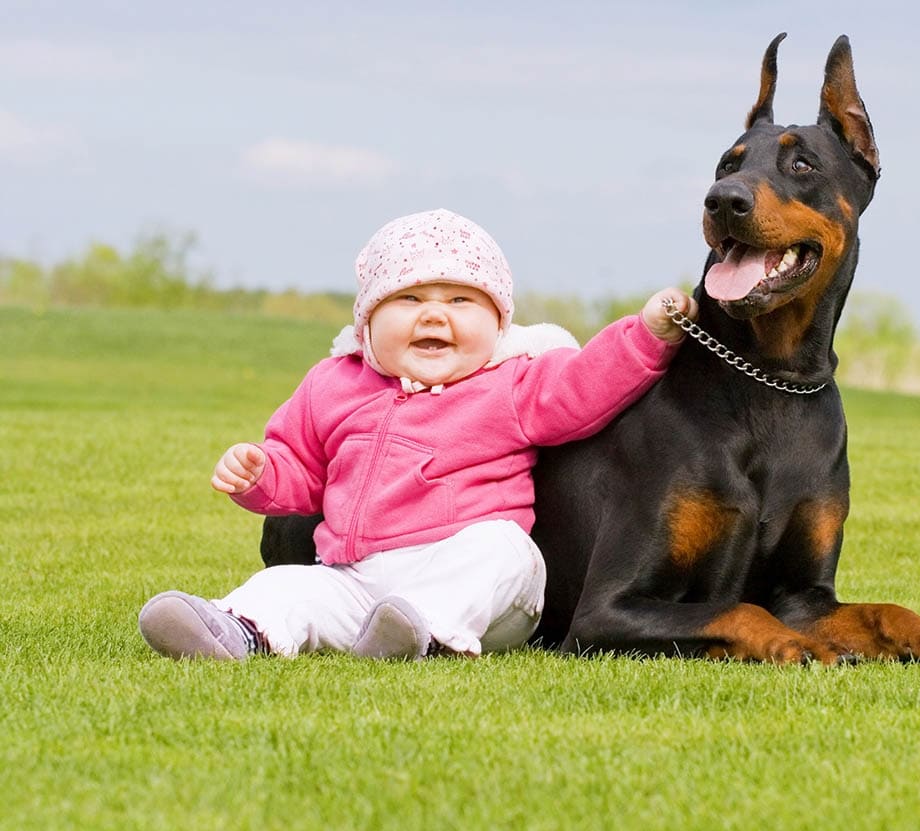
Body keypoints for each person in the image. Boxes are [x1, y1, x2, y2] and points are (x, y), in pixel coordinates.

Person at [138, 208, 695, 661]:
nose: (433, 316)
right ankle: (233, 630)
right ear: (366, 322)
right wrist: (260, 473)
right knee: (289, 583)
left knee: (503, 550)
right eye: (408, 299)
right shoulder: (333, 384)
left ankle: (426, 628)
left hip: (484, 594)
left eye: (460, 300)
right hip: (356, 579)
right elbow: (302, 471)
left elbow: (583, 387)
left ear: (498, 324)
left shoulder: (511, 384)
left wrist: (646, 333)